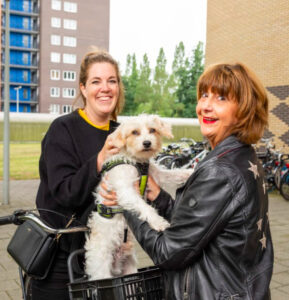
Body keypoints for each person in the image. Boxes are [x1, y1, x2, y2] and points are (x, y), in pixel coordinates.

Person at [106, 62, 274, 299]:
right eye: (204, 95)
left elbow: (168, 252)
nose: (205, 106)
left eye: (221, 98)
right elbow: (199, 225)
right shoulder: (244, 156)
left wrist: (127, 205)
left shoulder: (220, 171)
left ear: (244, 109)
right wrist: (159, 197)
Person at [33, 48, 125, 300]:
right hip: (61, 259)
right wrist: (100, 158)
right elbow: (65, 193)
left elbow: (132, 189)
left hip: (106, 256)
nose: (105, 88)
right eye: (96, 81)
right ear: (83, 88)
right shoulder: (62, 130)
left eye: (112, 81)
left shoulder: (122, 132)